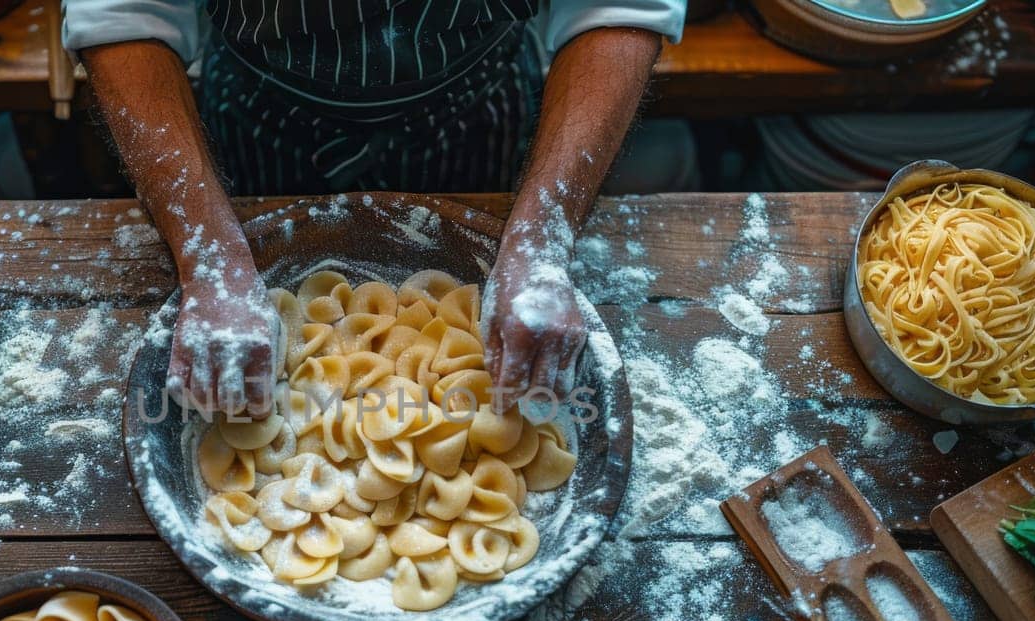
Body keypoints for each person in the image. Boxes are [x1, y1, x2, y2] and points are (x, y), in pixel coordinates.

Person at [64, 0, 684, 417]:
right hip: (258, 130)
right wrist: (212, 261)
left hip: (480, 122)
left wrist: (541, 245)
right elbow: (125, 12)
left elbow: (615, 8)